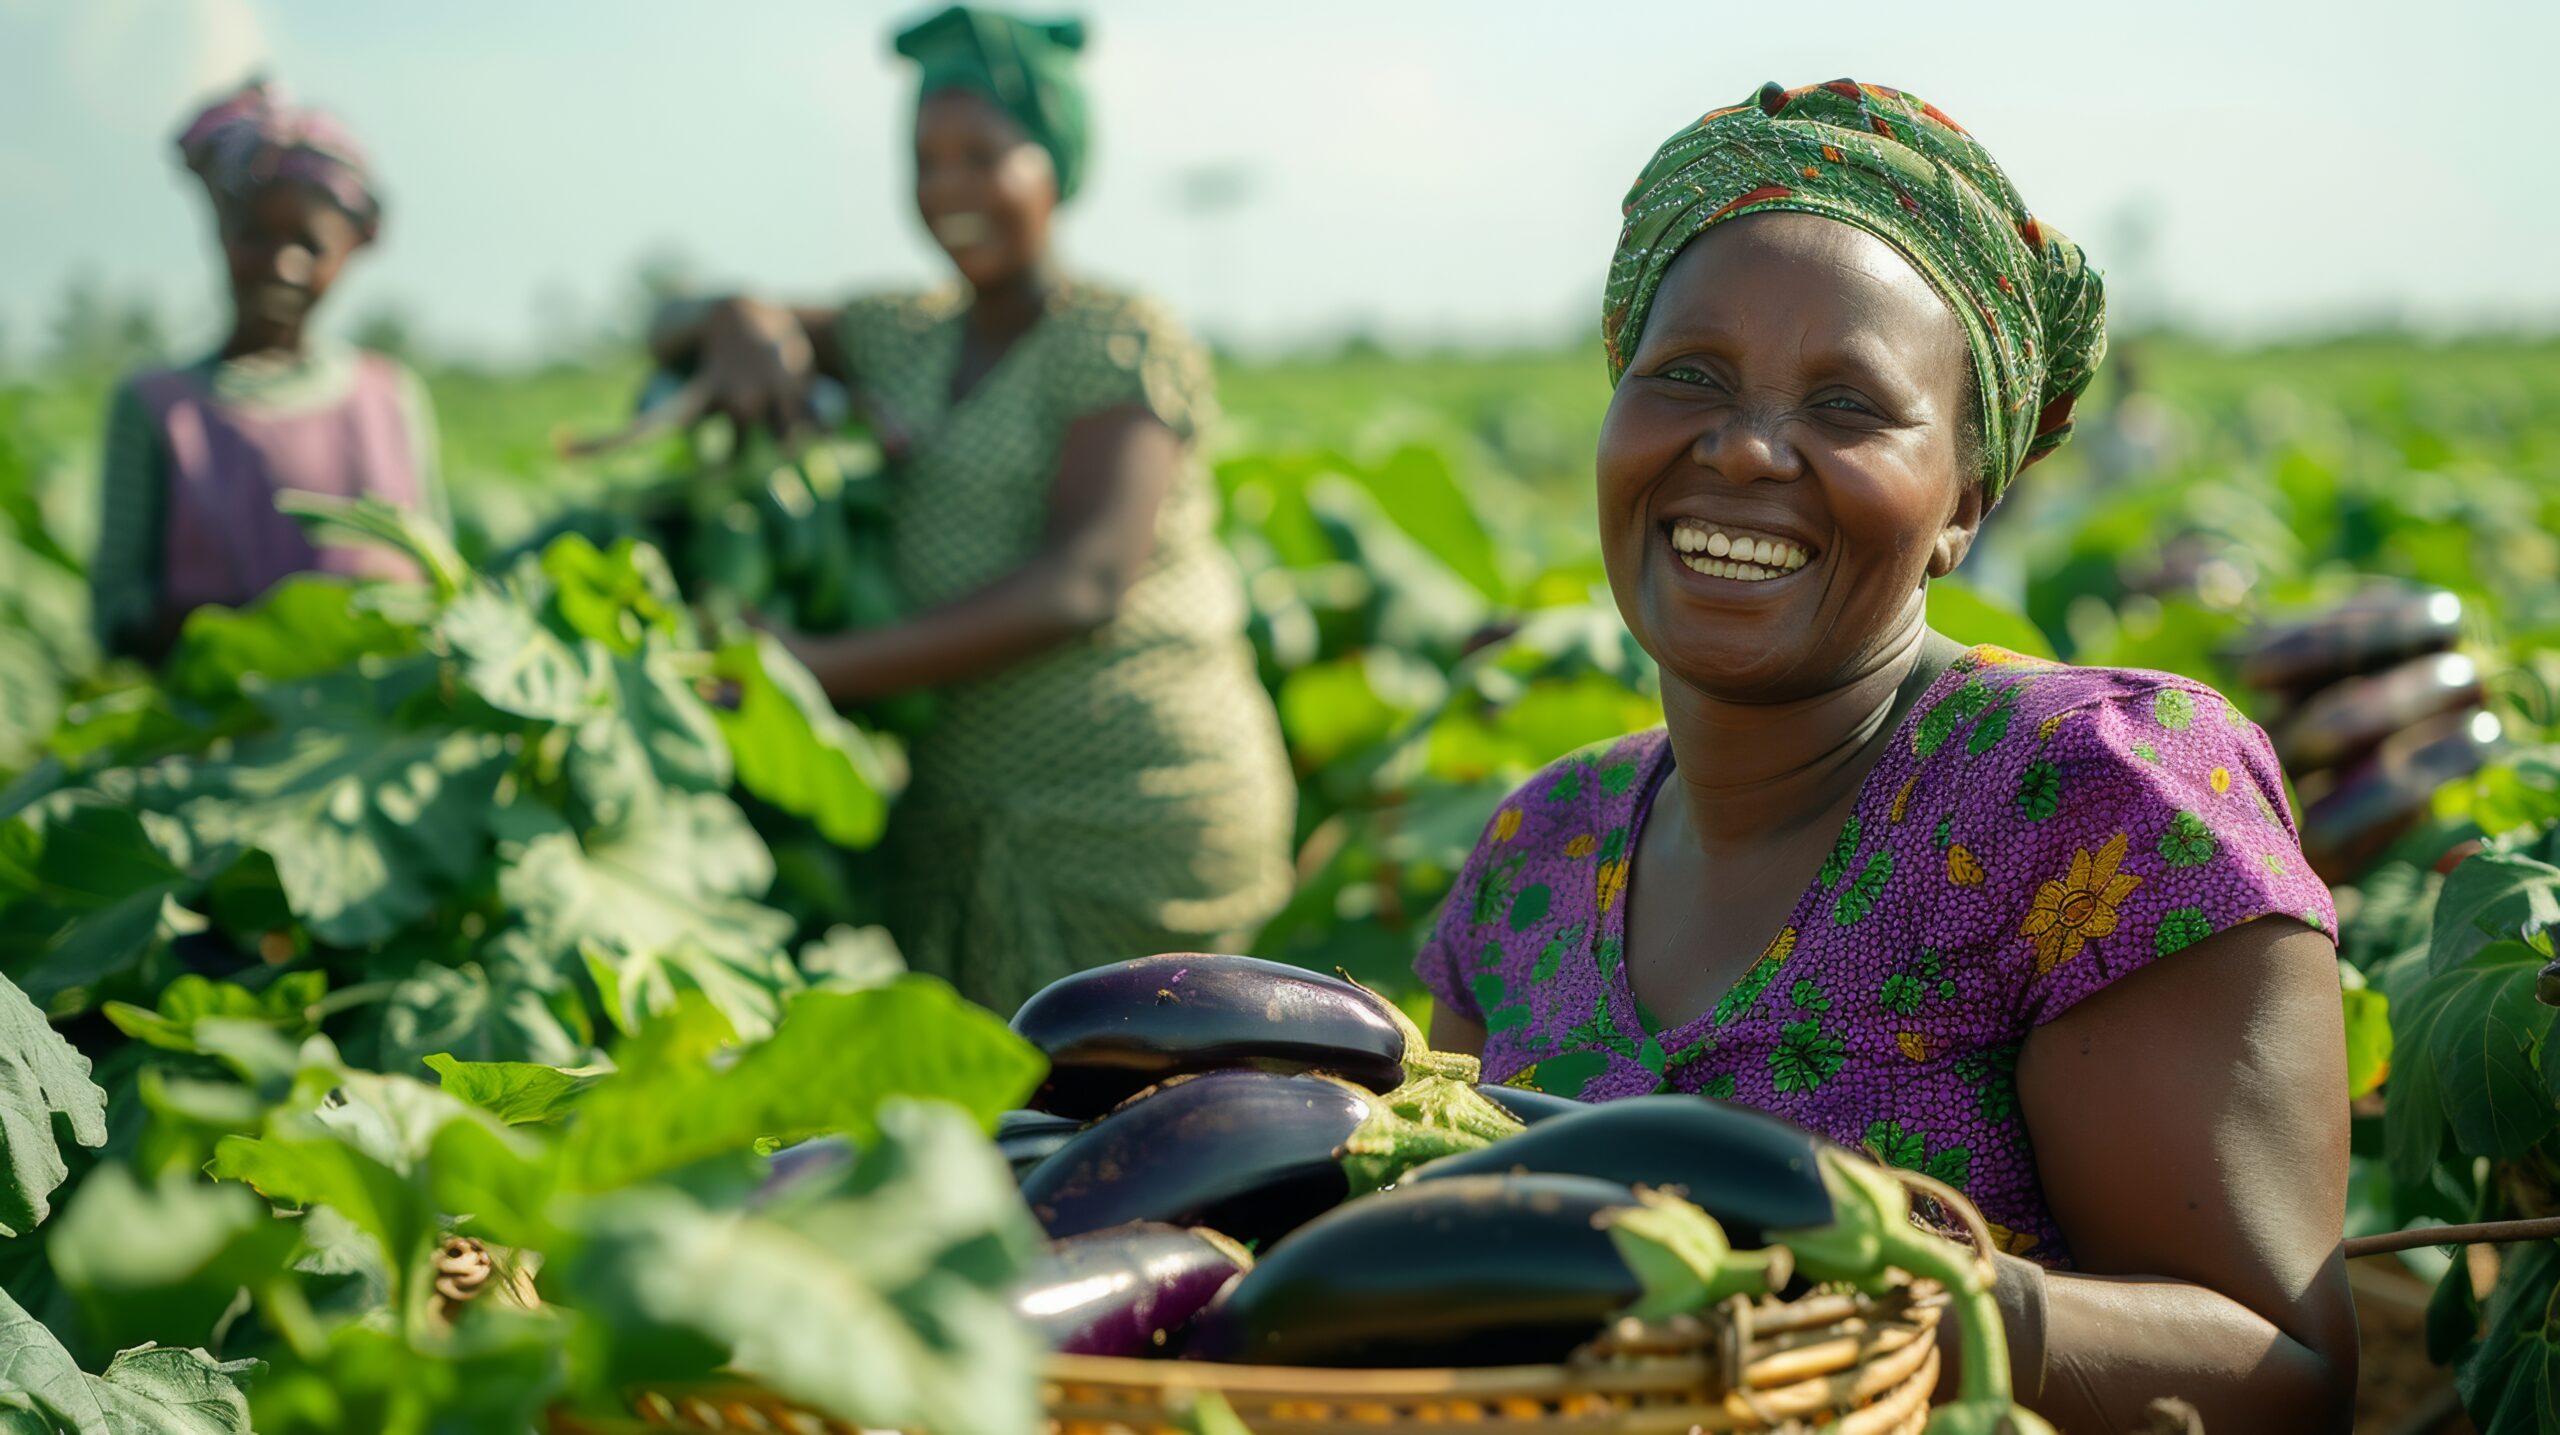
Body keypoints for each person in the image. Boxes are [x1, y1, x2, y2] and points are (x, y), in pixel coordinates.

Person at [1418, 82, 2354, 1432]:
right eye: (1684, 374)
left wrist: (1867, 1293)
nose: (1742, 445)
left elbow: (2286, 1370)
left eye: (1849, 403)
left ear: (1965, 503)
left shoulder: (2097, 795)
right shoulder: (1534, 851)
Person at [647, 6, 1294, 1015]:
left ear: (1055, 166)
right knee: (1006, 1126)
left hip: (1134, 815)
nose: (949, 188)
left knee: (1151, 1114)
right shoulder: (901, 334)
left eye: (982, 155)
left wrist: (816, 673)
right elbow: (668, 326)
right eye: (926, 160)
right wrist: (741, 315)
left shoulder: (1116, 335)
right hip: (960, 816)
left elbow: (1083, 583)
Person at [92, 80, 444, 665]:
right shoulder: (158, 406)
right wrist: (252, 644)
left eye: (308, 243)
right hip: (212, 737)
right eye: (256, 234)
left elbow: (436, 577)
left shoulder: (389, 396)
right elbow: (117, 613)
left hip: (376, 734)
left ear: (350, 251)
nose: (282, 264)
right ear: (223, 235)